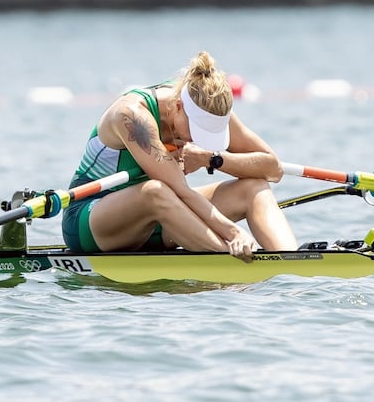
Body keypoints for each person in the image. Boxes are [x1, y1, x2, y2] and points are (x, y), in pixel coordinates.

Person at [62, 51, 298, 262]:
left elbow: (273, 169)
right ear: (177, 106)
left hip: (161, 219)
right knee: (154, 191)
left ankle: (293, 263)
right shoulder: (132, 116)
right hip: (92, 221)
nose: (196, 138)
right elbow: (181, 191)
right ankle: (233, 263)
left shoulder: (210, 105)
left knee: (253, 187)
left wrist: (211, 159)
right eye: (195, 131)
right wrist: (235, 233)